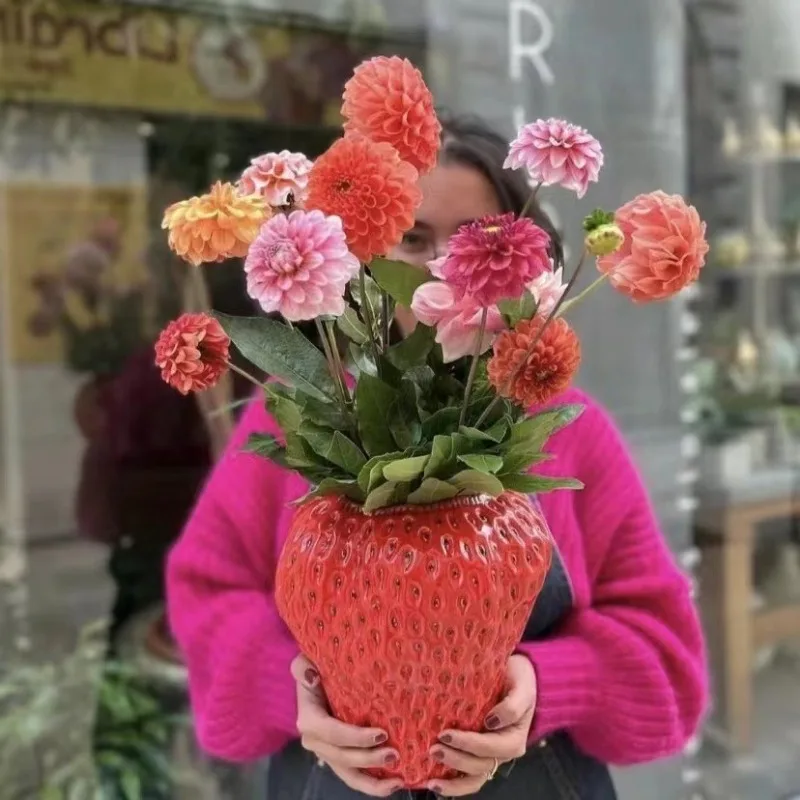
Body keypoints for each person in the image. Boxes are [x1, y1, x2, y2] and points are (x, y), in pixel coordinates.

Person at [166, 115, 709, 800]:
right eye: (415, 238)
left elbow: (668, 665)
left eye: (477, 240)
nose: (443, 268)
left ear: (530, 253)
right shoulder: (300, 407)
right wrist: (293, 690)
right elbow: (208, 597)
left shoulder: (574, 432)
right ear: (365, 245)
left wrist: (546, 683)